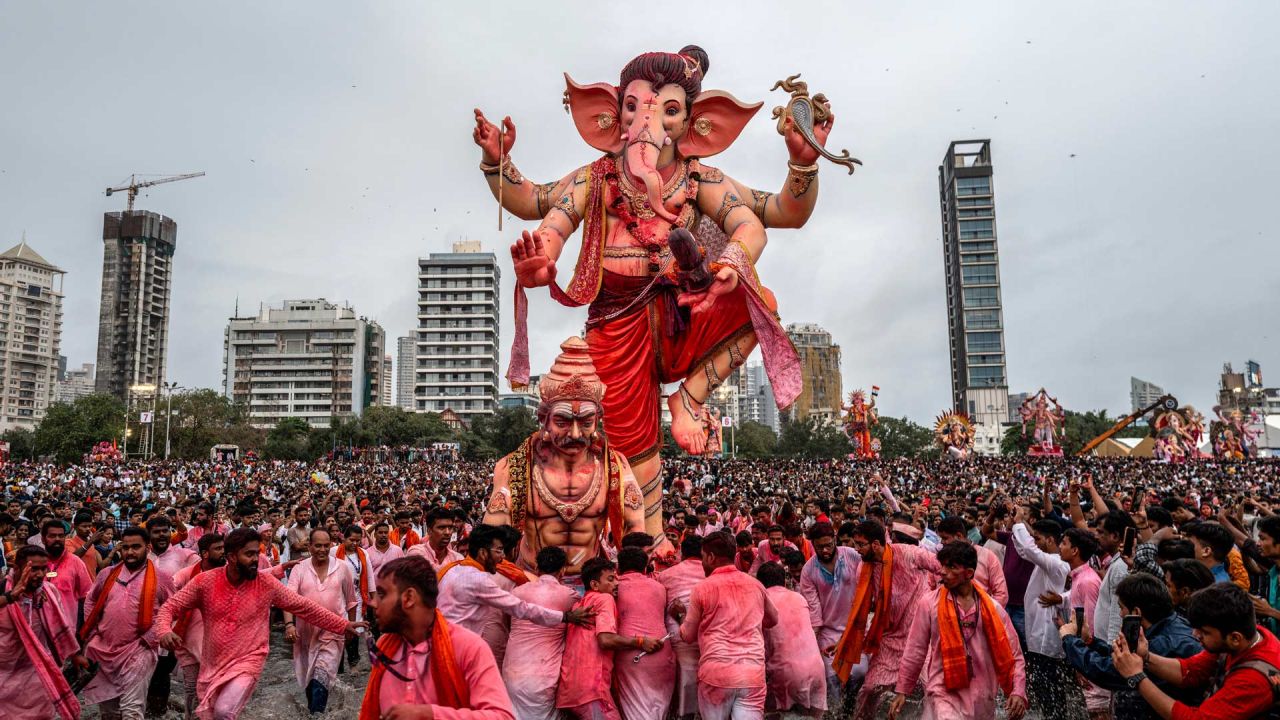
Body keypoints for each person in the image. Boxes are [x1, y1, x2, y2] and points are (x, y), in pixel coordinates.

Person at [155, 527, 366, 720]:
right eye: (249, 554)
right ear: (231, 557)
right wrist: (164, 630)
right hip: (213, 663)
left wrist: (343, 624)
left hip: (249, 659)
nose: (256, 559)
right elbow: (170, 607)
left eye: (257, 553)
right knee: (208, 713)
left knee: (224, 710)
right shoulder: (205, 582)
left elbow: (304, 607)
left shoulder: (265, 584)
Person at [362, 555, 515, 719]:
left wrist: (430, 714)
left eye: (382, 594)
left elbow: (502, 716)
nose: (373, 603)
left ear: (409, 598)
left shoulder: (467, 647)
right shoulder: (385, 645)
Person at [890, 541, 1027, 720]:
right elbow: (915, 649)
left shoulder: (993, 609)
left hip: (982, 695)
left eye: (951, 567)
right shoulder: (929, 604)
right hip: (943, 690)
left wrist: (1017, 690)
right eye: (943, 565)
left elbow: (1014, 653)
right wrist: (902, 690)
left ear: (969, 573)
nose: (943, 572)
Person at [1113, 583, 1280, 720]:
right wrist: (1146, 657)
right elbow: (1191, 671)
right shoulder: (1244, 636)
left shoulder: (1254, 679)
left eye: (1204, 631)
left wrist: (1137, 677)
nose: (1195, 634)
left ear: (1235, 638)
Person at [831, 519, 941, 720]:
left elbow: (941, 567)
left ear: (875, 544)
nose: (857, 550)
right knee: (870, 689)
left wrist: (940, 601)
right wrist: (844, 639)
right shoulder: (864, 569)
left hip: (920, 637)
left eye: (860, 544)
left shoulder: (908, 553)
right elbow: (859, 609)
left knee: (930, 688)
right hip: (889, 638)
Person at [437, 523, 593, 660]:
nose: (503, 557)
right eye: (498, 551)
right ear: (483, 553)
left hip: (444, 643)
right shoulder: (478, 579)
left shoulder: (453, 568)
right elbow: (520, 608)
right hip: (455, 650)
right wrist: (565, 616)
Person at [1061, 573, 1202, 720]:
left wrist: (1069, 639)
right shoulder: (1171, 625)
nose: (1121, 614)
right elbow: (1122, 658)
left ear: (1136, 612)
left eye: (1121, 608)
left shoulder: (1164, 645)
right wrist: (1090, 641)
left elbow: (1106, 671)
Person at [672, 530, 779, 720]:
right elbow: (772, 620)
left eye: (704, 557)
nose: (703, 563)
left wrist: (681, 615)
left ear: (711, 557)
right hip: (751, 674)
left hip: (716, 675)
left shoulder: (702, 588)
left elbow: (687, 636)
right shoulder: (754, 584)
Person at [79, 525, 175, 720]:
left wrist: (150, 637)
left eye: (135, 547)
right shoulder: (107, 574)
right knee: (109, 711)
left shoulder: (162, 579)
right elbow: (90, 599)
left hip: (139, 649)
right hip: (104, 648)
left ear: (147, 548)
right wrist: (93, 632)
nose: (130, 552)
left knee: (132, 710)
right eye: (125, 547)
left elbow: (172, 609)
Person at [557, 557, 663, 719]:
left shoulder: (578, 605)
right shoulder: (603, 598)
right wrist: (641, 641)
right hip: (591, 688)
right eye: (611, 579)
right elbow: (605, 640)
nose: (617, 583)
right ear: (595, 585)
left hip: (570, 689)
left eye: (617, 578)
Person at [1011, 513, 1084, 720]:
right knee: (1046, 685)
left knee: (1049, 685)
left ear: (1050, 540)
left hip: (1046, 636)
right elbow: (1025, 551)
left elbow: (1028, 549)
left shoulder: (1055, 562)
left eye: (1039, 538)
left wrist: (1018, 523)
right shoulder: (1049, 561)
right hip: (1039, 632)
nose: (1035, 543)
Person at [0, 545, 83, 720]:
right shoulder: (2, 592)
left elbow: (62, 626)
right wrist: (10, 597)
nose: (40, 574)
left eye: (43, 569)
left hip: (36, 673)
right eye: (33, 569)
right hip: (4, 674)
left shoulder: (48, 593)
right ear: (17, 568)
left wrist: (75, 655)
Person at [285, 528, 357, 714]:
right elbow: (287, 600)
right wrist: (289, 624)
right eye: (318, 545)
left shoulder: (342, 567)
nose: (322, 550)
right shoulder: (299, 569)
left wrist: (350, 627)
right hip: (305, 634)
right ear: (309, 546)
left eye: (326, 545)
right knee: (310, 682)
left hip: (333, 633)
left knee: (320, 677)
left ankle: (318, 715)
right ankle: (314, 713)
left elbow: (350, 600)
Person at [503, 546, 577, 720]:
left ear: (536, 568)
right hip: (545, 675)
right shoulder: (570, 596)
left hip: (513, 669)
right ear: (563, 570)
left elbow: (507, 623)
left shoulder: (516, 592)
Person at [797, 520, 862, 708]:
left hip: (855, 627)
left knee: (859, 672)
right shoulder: (808, 571)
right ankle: (836, 713)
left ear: (835, 540)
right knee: (831, 677)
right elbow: (814, 611)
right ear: (813, 546)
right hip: (827, 632)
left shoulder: (851, 556)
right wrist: (812, 645)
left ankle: (851, 708)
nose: (825, 550)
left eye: (828, 545)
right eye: (820, 547)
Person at [614, 546, 676, 720]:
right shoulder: (659, 588)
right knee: (658, 709)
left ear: (618, 568)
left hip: (629, 652)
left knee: (635, 710)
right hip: (662, 649)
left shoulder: (615, 588)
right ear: (644, 568)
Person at [758, 561, 827, 718]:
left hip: (786, 674)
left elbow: (762, 646)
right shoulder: (799, 598)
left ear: (759, 584)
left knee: (770, 713)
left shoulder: (762, 602)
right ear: (784, 580)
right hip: (816, 669)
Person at [146, 514, 198, 716]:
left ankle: (157, 711)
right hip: (143, 625)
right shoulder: (143, 556)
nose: (161, 535)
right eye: (156, 532)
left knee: (161, 671)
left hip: (172, 626)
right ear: (149, 535)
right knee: (144, 671)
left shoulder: (186, 556)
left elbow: (202, 577)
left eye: (165, 531)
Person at [171, 533, 225, 720]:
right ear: (205, 553)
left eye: (223, 547)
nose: (223, 552)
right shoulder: (188, 575)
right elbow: (170, 589)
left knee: (217, 688)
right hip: (187, 640)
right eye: (218, 549)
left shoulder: (229, 572)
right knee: (191, 688)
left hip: (218, 642)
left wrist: (279, 569)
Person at [657, 533, 707, 719]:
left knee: (685, 673)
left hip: (677, 633)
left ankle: (684, 713)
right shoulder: (710, 572)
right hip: (707, 631)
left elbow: (661, 607)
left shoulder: (665, 575)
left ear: (681, 553)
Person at [937, 516, 1008, 605]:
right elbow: (931, 585)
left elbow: (1001, 594)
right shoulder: (941, 557)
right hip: (945, 614)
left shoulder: (987, 556)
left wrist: (986, 614)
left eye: (945, 538)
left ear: (959, 536)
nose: (942, 542)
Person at [38, 518, 92, 628]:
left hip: (68, 626)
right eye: (52, 536)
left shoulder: (76, 562)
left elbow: (87, 596)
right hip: (40, 627)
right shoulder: (36, 563)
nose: (57, 539)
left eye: (61, 536)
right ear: (43, 539)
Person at [334, 524, 374, 670]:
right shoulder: (333, 552)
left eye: (358, 540)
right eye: (351, 540)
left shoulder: (363, 553)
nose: (355, 543)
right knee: (337, 630)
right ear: (343, 538)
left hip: (356, 596)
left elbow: (369, 577)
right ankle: (338, 668)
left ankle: (353, 664)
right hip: (337, 597)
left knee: (354, 629)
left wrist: (373, 599)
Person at [409, 506, 461, 571]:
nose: (447, 532)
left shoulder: (457, 558)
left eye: (450, 528)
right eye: (441, 528)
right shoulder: (416, 552)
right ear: (429, 531)